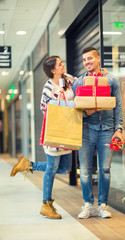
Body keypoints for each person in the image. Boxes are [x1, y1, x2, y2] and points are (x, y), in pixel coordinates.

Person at [10, 55, 75, 219]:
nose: (63, 65)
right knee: (52, 169)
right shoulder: (48, 87)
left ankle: (28, 164)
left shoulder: (68, 79)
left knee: (64, 168)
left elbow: (80, 82)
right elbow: (44, 108)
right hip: (54, 132)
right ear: (53, 70)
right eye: (60, 64)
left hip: (68, 132)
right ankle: (46, 204)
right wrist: (57, 99)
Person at [72, 46, 124, 219]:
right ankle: (88, 205)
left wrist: (119, 129)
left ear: (98, 58)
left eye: (90, 58)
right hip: (86, 130)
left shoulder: (111, 81)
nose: (87, 62)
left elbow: (118, 107)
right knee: (85, 170)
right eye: (84, 59)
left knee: (105, 169)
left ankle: (103, 205)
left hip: (107, 130)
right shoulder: (79, 82)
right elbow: (75, 109)